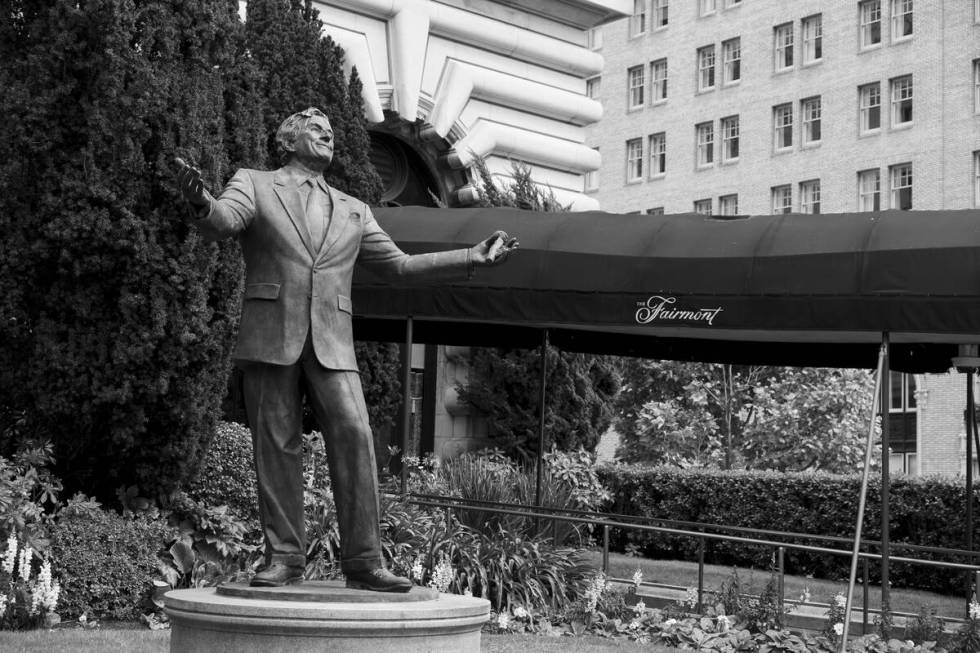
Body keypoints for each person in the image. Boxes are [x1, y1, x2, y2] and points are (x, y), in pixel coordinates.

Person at [175, 107, 517, 591]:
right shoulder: (253, 183)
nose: (327, 135)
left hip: (333, 341)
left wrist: (470, 257)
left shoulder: (355, 209)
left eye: (331, 132)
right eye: (316, 129)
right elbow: (224, 221)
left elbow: (398, 266)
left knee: (356, 434)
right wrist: (201, 203)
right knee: (276, 445)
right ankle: (284, 558)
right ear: (289, 140)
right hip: (272, 334)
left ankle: (364, 560)